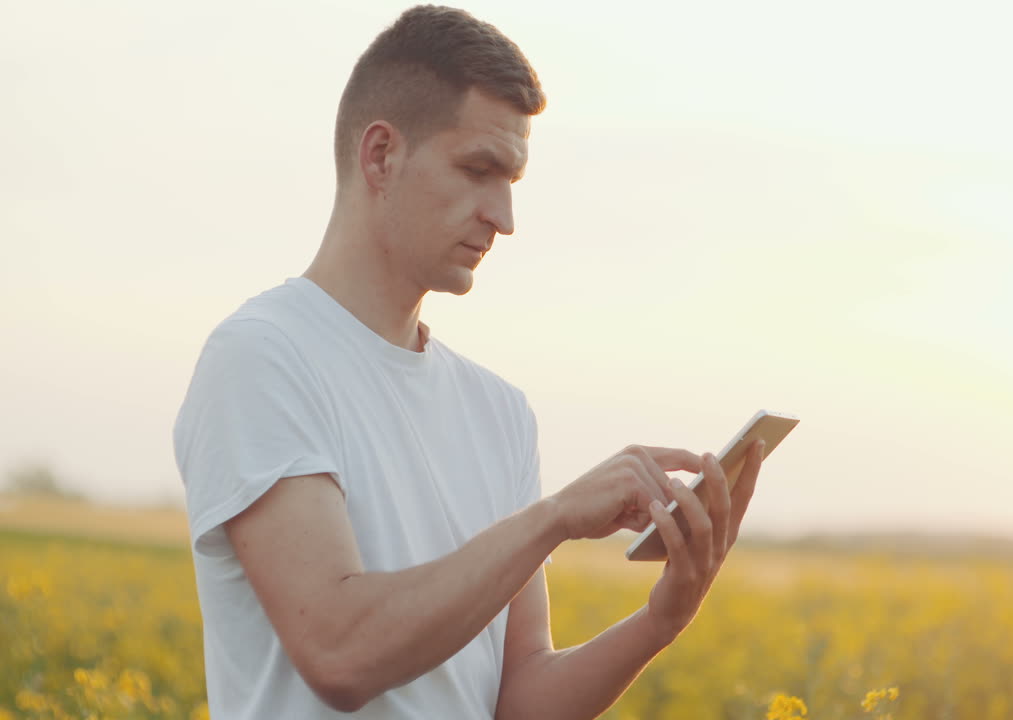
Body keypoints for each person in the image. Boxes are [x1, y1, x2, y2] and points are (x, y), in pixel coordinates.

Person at [173, 5, 766, 719]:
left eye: (512, 180)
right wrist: (553, 519)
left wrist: (659, 622)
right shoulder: (263, 357)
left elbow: (517, 702)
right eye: (479, 169)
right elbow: (339, 653)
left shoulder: (499, 411)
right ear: (381, 155)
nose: (503, 216)